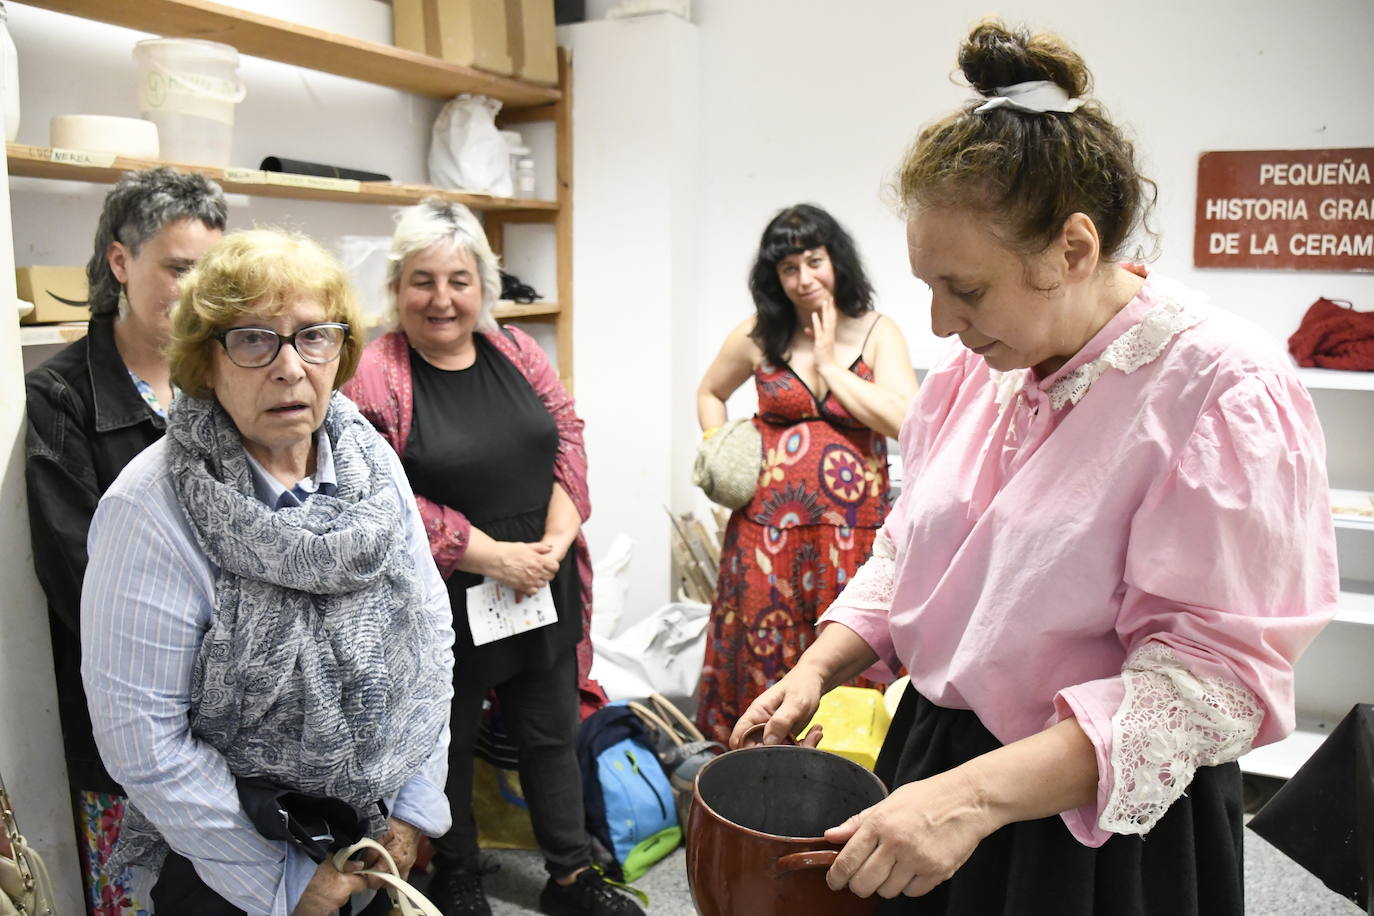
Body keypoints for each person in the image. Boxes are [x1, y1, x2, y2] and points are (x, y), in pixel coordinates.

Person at [732, 20, 1338, 916]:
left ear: (1075, 250)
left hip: (1091, 814)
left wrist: (972, 799)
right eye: (928, 286)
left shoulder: (1217, 391)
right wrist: (820, 666)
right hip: (934, 766)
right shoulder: (986, 366)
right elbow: (913, 552)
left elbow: (1207, 687)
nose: (940, 324)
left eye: (966, 289)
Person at [81, 229, 455, 916]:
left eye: (313, 335)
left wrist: (412, 811)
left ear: (340, 349)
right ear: (206, 362)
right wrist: (283, 883)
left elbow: (428, 637)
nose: (289, 368)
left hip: (372, 839)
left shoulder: (371, 467)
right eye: (253, 339)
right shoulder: (150, 507)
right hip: (230, 865)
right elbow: (141, 736)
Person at [342, 198, 641, 916]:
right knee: (444, 742)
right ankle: (460, 873)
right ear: (396, 287)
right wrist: (489, 554)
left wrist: (553, 546)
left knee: (550, 732)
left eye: (458, 279)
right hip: (442, 594)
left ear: (483, 284)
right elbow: (377, 495)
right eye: (422, 280)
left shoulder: (514, 348)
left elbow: (567, 434)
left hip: (540, 580)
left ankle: (571, 877)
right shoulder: (376, 372)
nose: (442, 299)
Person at [24, 166, 226, 915]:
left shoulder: (223, 378)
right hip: (135, 731)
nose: (198, 289)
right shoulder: (60, 402)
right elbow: (83, 583)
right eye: (178, 268)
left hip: (238, 716)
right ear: (120, 263)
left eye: (211, 268)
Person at [693, 203, 919, 744]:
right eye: (788, 268)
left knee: (849, 660)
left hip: (855, 537)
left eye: (813, 261)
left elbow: (906, 419)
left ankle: (848, 788)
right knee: (765, 662)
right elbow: (710, 392)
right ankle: (757, 786)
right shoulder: (757, 334)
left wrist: (830, 369)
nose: (803, 279)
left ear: (836, 260)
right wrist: (720, 456)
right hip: (764, 539)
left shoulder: (877, 333)